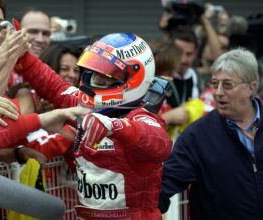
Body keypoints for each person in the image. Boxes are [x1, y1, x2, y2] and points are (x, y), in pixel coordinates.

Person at [14, 32, 172, 220]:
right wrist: (24, 58)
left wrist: (116, 127)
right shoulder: (87, 107)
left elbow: (161, 144)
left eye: (109, 76)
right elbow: (54, 86)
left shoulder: (143, 118)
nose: (98, 79)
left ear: (134, 80)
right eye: (96, 73)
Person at [159, 48, 263, 220]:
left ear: (251, 88)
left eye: (227, 84)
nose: (218, 92)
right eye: (214, 84)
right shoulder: (196, 136)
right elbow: (165, 184)